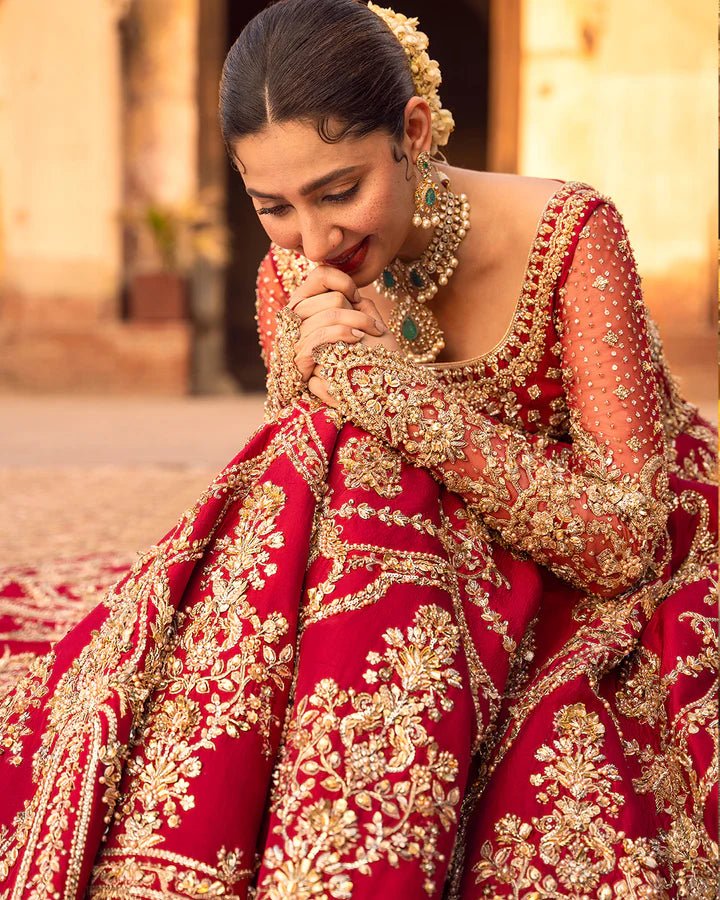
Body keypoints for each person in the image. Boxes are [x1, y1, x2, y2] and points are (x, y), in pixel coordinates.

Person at [0, 1, 716, 896]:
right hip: (410, 587)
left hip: (602, 564)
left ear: (411, 132)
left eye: (339, 191)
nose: (315, 239)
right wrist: (327, 392)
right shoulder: (294, 279)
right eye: (274, 207)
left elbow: (622, 544)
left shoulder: (571, 238)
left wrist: (399, 395)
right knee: (340, 460)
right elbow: (292, 507)